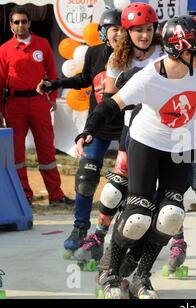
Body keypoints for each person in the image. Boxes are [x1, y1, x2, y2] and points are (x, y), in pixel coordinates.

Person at [75, 15, 196, 299]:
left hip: (180, 146)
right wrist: (88, 130)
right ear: (184, 51)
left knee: (171, 216)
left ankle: (142, 276)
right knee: (138, 216)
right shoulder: (149, 78)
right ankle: (109, 271)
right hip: (146, 144)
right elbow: (110, 105)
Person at [72, 2, 165, 272]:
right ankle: (99, 235)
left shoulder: (164, 51)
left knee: (168, 196)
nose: (144, 35)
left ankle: (176, 242)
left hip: (167, 129)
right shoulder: (117, 58)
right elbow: (110, 100)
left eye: (148, 29)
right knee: (115, 189)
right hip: (133, 129)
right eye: (137, 30)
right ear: (127, 32)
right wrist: (90, 129)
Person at [37, 8, 122, 257]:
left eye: (122, 29)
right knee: (86, 177)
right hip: (99, 124)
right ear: (104, 33)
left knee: (126, 184)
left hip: (128, 126)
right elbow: (85, 78)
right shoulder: (95, 53)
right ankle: (79, 229)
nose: (119, 34)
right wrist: (57, 83)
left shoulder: (134, 57)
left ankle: (121, 233)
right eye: (113, 29)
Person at [0, 6, 74, 207]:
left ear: (29, 23)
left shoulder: (42, 44)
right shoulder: (4, 49)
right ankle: (24, 195)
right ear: (11, 25)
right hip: (14, 105)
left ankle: (56, 196)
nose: (21, 25)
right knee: (17, 153)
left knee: (46, 150)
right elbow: (0, 80)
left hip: (39, 103)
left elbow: (52, 73)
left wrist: (51, 97)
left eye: (24, 21)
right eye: (16, 22)